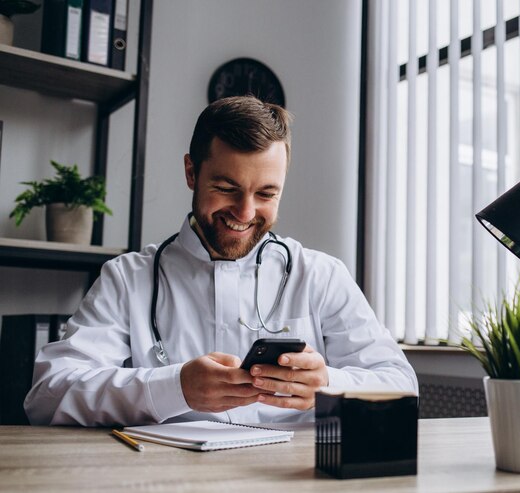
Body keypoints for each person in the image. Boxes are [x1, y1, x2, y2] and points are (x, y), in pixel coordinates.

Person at [24, 96, 418, 426]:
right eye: (227, 188)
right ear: (192, 172)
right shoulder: (127, 278)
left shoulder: (321, 275)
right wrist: (173, 387)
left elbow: (401, 385)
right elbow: (47, 396)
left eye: (266, 193)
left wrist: (328, 383)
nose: (245, 212)